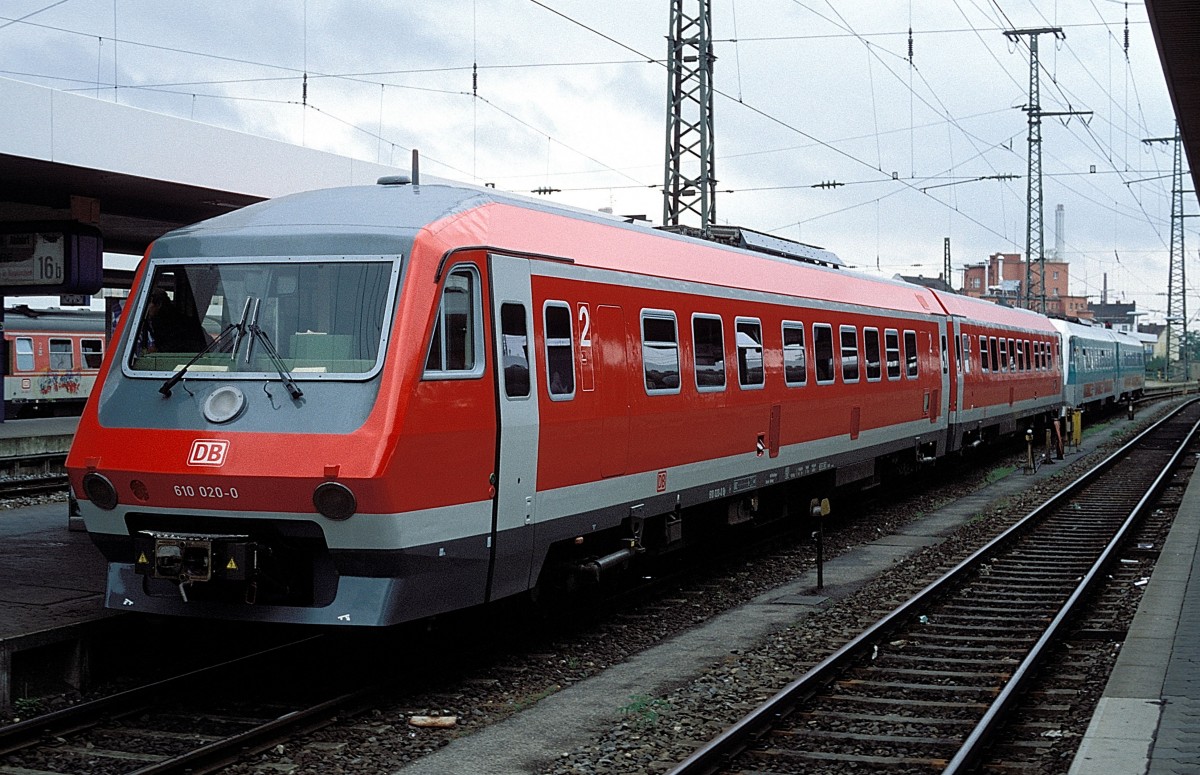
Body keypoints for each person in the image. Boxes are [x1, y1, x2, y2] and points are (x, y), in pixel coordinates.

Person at [143, 288, 207, 353]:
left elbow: (179, 343)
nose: (144, 308)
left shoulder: (177, 324)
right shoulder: (149, 322)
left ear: (159, 304)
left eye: (147, 304)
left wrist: (158, 350)